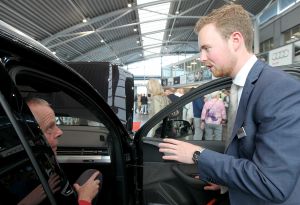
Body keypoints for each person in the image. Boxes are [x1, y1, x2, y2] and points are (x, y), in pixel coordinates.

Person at [159, 4, 300, 205]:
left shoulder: (278, 90)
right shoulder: (240, 87)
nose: (202, 58)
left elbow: (272, 183)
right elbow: (247, 154)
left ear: (235, 40)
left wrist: (198, 156)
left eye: (207, 48)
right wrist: (226, 182)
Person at [25, 98, 101, 205]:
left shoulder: (43, 162)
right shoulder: (27, 183)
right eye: (49, 128)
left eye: (55, 125)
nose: (60, 132)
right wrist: (85, 199)